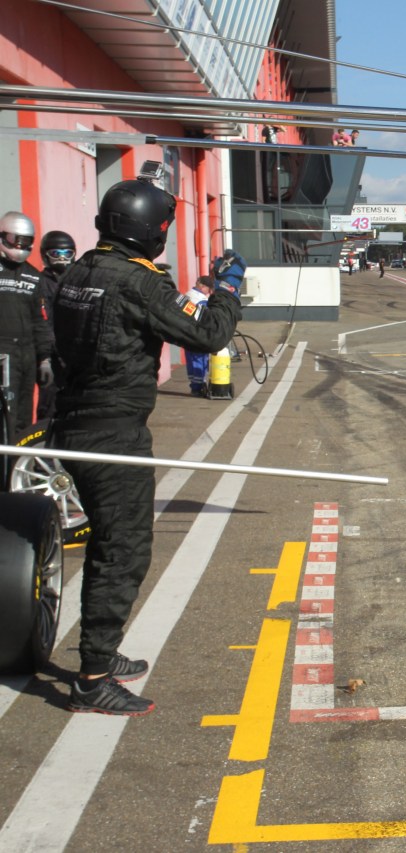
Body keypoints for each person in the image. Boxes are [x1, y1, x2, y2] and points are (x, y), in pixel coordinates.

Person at [51, 177, 242, 715]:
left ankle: (101, 654)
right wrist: (227, 290)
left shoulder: (77, 271)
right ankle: (92, 678)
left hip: (72, 421)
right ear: (152, 230)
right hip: (113, 433)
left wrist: (189, 294)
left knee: (110, 543)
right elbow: (207, 336)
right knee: (122, 550)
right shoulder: (138, 282)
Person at [0, 211, 54, 437]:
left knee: (23, 414)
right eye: (16, 241)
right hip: (3, 352)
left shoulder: (34, 277)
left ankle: (15, 465)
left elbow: (41, 320)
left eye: (27, 242)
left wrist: (45, 358)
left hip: (27, 352)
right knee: (6, 414)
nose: (21, 246)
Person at [35, 230, 76, 421]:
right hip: (52, 356)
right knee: (50, 407)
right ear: (45, 255)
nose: (62, 259)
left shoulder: (77, 281)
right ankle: (45, 448)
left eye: (67, 254)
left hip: (75, 355)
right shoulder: (40, 283)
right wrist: (47, 358)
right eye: (56, 254)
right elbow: (44, 322)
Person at [184, 276, 215, 395]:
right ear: (202, 286)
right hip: (198, 334)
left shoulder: (187, 295)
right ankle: (199, 387)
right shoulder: (201, 300)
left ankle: (194, 386)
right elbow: (206, 318)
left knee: (191, 360)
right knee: (199, 360)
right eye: (209, 288)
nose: (209, 292)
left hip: (186, 333)